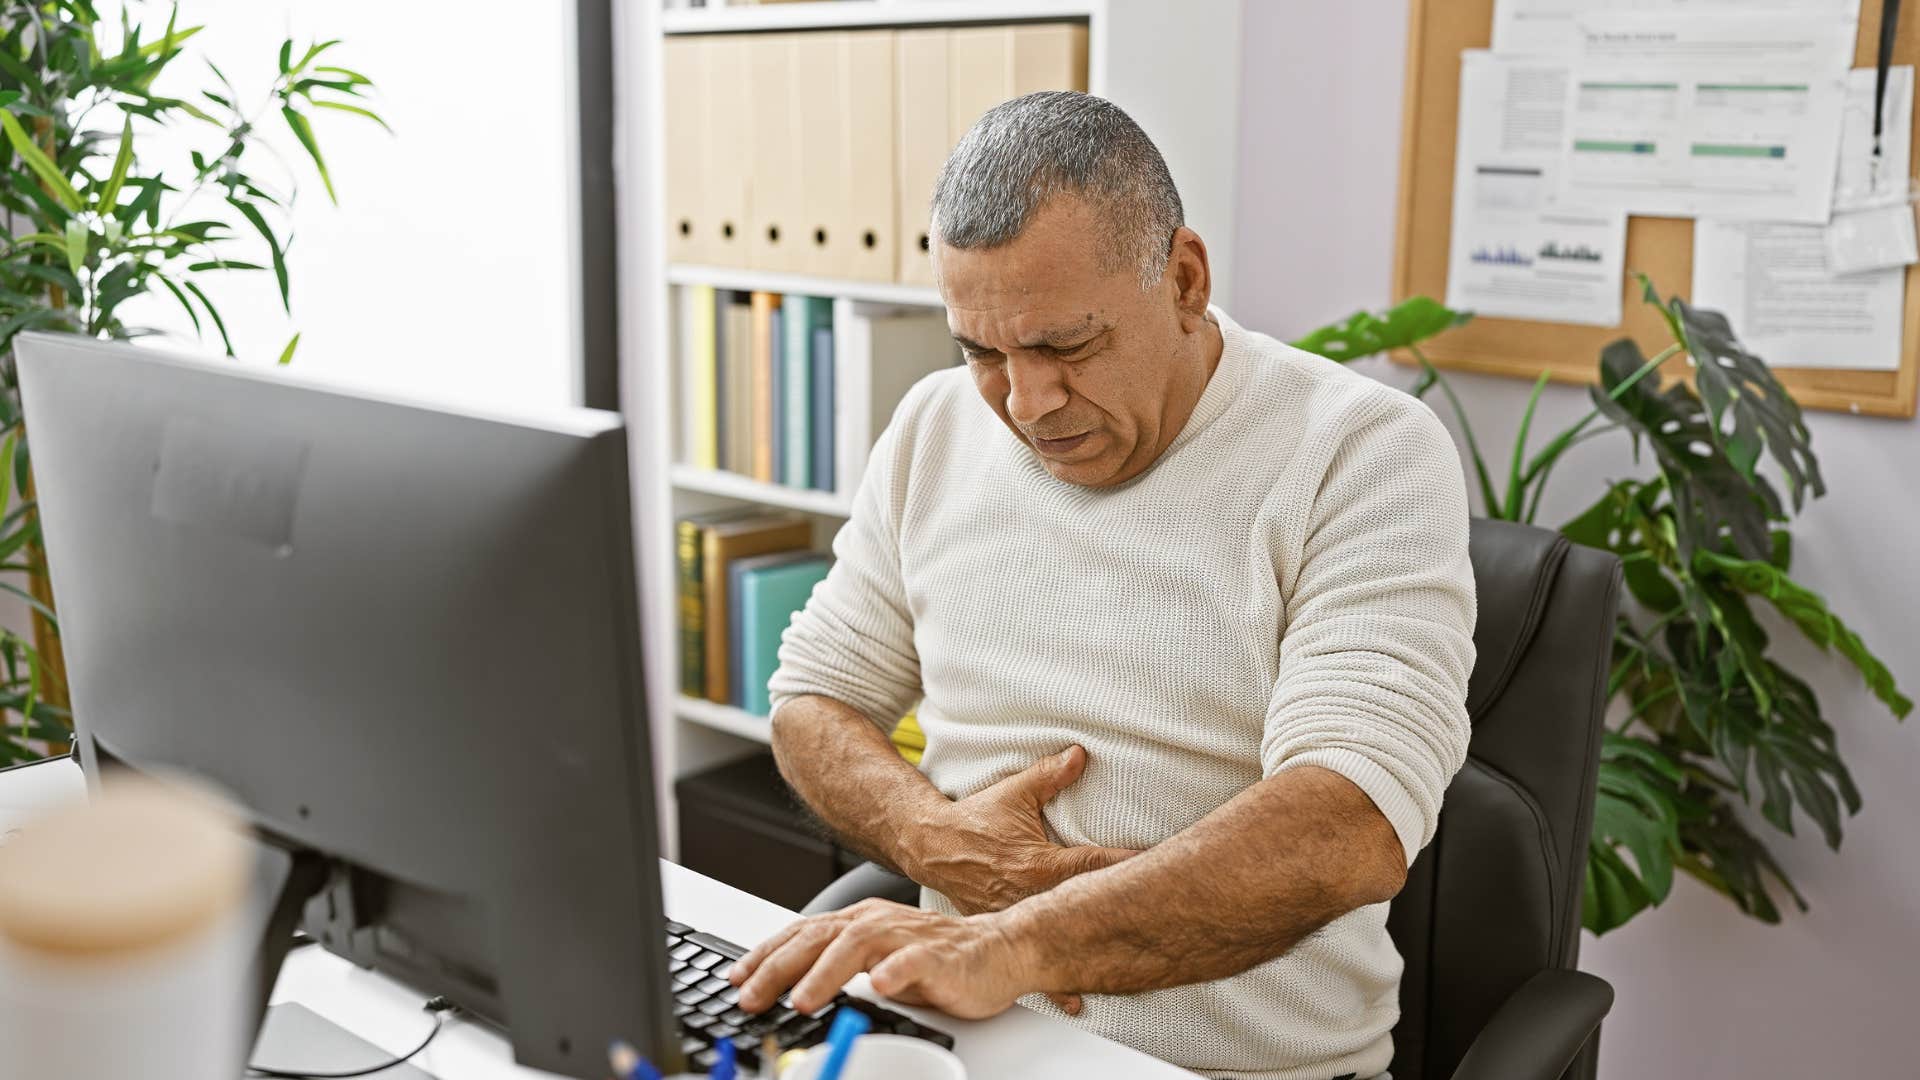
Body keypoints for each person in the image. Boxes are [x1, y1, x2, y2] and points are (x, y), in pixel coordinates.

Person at [728, 91, 1476, 1080]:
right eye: (983, 351)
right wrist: (932, 838)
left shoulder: (1360, 450)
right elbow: (813, 699)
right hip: (956, 1043)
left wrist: (1017, 945)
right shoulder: (935, 426)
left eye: (1065, 346)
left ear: (1185, 280)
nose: (1026, 403)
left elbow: (1348, 823)